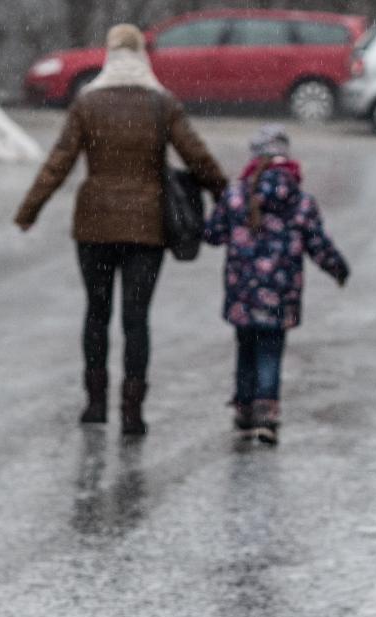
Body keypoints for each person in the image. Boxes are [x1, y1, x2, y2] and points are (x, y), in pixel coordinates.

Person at [15, 23, 228, 436]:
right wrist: (226, 197)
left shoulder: (88, 103)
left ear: (110, 55)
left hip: (94, 226)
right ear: (142, 55)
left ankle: (95, 404)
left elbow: (59, 162)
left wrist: (29, 210)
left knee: (96, 314)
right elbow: (198, 157)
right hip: (146, 229)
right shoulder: (162, 104)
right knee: (136, 319)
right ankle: (133, 411)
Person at [202, 125, 350, 445]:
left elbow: (212, 234)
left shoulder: (236, 196)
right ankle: (266, 415)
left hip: (242, 293)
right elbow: (318, 244)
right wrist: (337, 268)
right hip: (281, 294)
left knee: (246, 348)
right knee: (270, 350)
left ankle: (244, 409)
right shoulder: (300, 201)